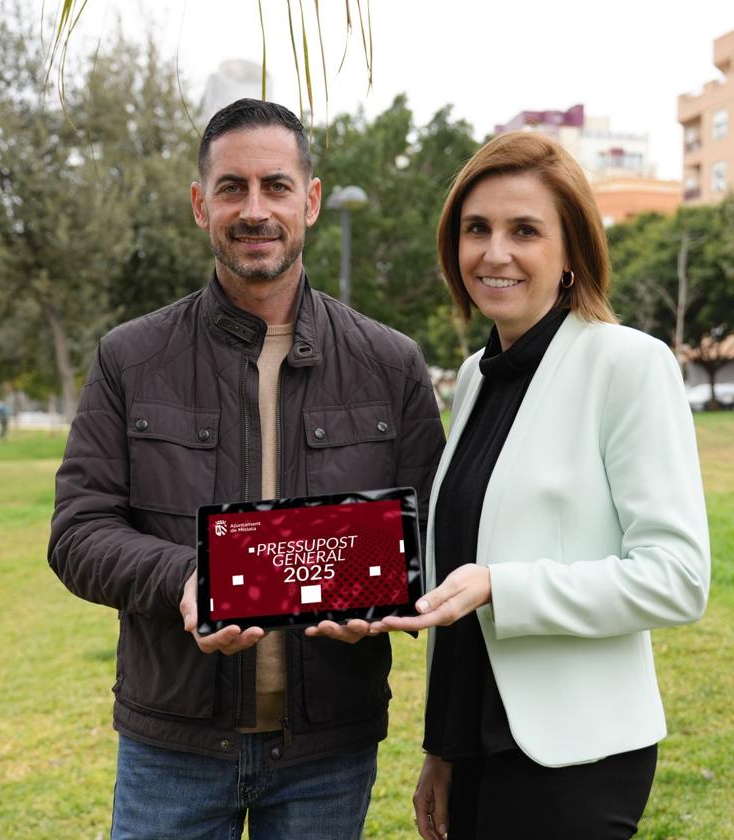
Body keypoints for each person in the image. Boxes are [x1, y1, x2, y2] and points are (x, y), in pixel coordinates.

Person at [48, 98, 445, 839]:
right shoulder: (131, 359)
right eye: (232, 188)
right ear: (202, 205)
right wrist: (188, 578)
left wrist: (387, 594)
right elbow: (77, 532)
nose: (254, 209)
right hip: (174, 744)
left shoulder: (389, 364)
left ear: (312, 200)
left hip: (330, 749)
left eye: (276, 186)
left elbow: (437, 536)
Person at [370, 132, 710, 839]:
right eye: (476, 229)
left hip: (575, 757)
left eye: (525, 230)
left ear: (571, 255)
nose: (495, 252)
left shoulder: (628, 365)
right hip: (473, 749)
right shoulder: (473, 378)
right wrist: (441, 748)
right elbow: (454, 585)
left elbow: (678, 579)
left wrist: (507, 585)